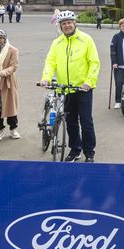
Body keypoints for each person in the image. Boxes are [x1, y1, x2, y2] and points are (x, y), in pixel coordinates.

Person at [40, 10, 101, 162]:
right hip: (65, 89)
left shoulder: (86, 39)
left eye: (69, 22)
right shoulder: (57, 42)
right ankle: (75, 150)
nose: (67, 25)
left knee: (86, 121)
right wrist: (46, 78)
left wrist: (89, 82)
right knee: (71, 121)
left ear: (75, 23)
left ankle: (89, 153)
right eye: (63, 23)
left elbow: (94, 62)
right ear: (60, 26)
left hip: (82, 88)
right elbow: (50, 62)